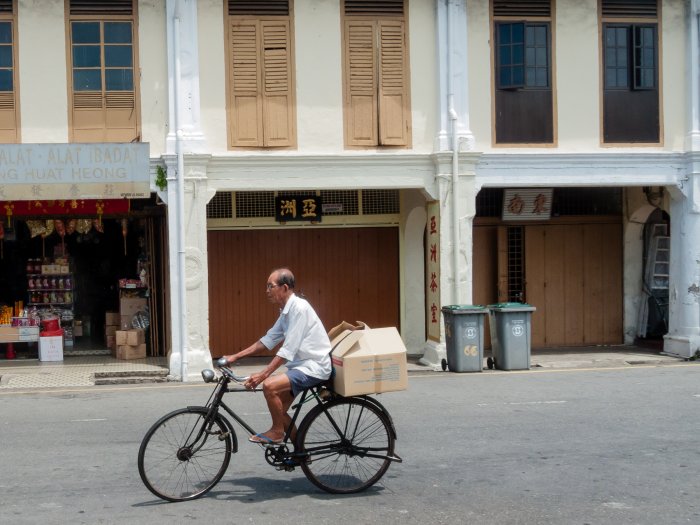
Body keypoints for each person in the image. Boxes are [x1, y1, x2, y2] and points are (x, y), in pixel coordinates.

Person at [222, 268, 332, 444]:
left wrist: (263, 374)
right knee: (278, 408)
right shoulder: (286, 311)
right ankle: (301, 453)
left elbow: (287, 350)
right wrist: (235, 357)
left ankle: (277, 432)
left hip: (314, 366)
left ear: (285, 287)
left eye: (270, 286)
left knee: (270, 386)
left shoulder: (300, 309)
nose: (267, 291)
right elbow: (268, 340)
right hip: (301, 365)